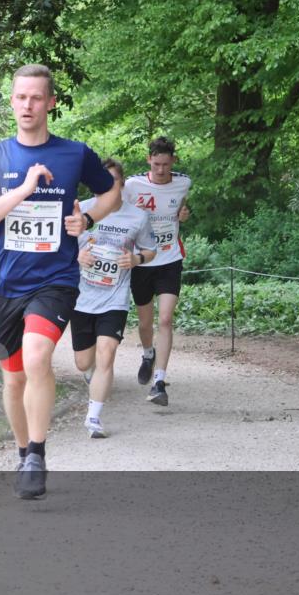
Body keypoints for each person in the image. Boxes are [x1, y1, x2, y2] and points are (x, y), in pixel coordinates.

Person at [0, 63, 121, 500]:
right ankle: (23, 453)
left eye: (36, 97)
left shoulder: (74, 154)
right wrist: (23, 189)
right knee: (14, 380)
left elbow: (113, 192)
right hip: (7, 286)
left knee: (38, 358)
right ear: (12, 102)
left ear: (51, 103)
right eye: (20, 97)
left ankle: (37, 453)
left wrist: (87, 217)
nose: (28, 105)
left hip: (56, 279)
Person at [71, 158, 156, 438]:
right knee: (84, 363)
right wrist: (76, 256)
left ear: (122, 183)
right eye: (100, 183)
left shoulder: (137, 216)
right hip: (82, 299)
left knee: (107, 354)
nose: (104, 187)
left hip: (115, 299)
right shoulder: (80, 210)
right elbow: (58, 247)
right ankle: (91, 375)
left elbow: (150, 250)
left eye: (111, 181)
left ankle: (94, 418)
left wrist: (136, 258)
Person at [123, 137, 191, 406]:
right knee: (145, 323)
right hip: (141, 261)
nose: (161, 170)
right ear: (148, 160)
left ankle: (159, 382)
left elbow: (181, 207)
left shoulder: (183, 182)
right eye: (156, 164)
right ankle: (148, 353)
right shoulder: (132, 185)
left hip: (170, 259)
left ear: (173, 161)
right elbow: (119, 210)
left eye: (165, 164)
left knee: (165, 320)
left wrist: (184, 214)